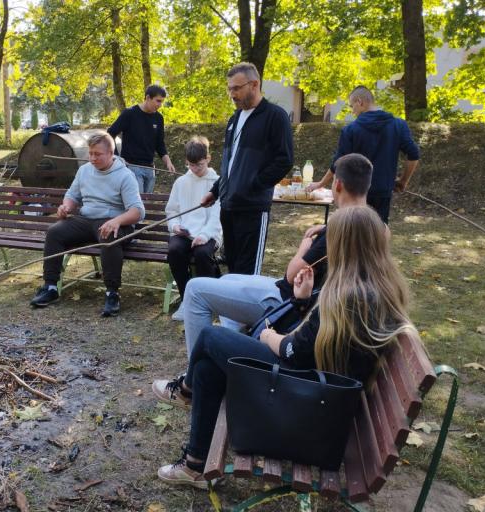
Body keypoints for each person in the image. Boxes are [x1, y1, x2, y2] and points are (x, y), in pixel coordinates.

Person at [154, 205, 416, 489]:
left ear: (344, 245)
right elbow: (318, 341)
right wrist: (301, 302)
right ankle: (195, 467)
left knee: (209, 336)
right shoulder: (375, 286)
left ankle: (185, 391)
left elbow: (294, 350)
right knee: (207, 368)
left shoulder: (347, 296)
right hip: (321, 392)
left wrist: (269, 338)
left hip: (308, 400)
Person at [160, 153, 373, 362]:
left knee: (195, 289)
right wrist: (325, 227)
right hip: (301, 299)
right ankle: (225, 354)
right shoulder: (370, 226)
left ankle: (195, 374)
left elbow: (292, 275)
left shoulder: (340, 231)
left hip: (287, 302)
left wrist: (304, 246)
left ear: (337, 185)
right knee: (227, 280)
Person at [29, 133, 145, 317]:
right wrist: (66, 207)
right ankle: (50, 287)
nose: (92, 158)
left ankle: (112, 293)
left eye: (97, 154)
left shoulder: (125, 176)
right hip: (86, 219)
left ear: (111, 153)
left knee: (108, 236)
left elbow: (138, 212)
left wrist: (116, 221)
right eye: (90, 153)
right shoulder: (84, 171)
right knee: (54, 232)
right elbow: (72, 196)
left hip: (114, 222)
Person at [200, 62, 293, 275]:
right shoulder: (234, 120)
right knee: (232, 264)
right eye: (229, 89)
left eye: (237, 88)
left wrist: (254, 184)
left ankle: (244, 308)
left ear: (254, 84)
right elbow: (230, 164)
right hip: (228, 205)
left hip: (252, 208)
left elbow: (284, 160)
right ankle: (230, 309)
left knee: (247, 271)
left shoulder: (275, 116)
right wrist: (215, 191)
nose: (232, 94)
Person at [307, 85, 420, 223]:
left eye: (351, 106)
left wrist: (321, 183)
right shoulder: (398, 125)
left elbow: (339, 162)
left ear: (360, 102)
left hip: (355, 192)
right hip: (383, 191)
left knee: (354, 234)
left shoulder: (351, 130)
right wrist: (403, 181)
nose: (353, 111)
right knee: (378, 234)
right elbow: (413, 154)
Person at [166, 136, 222, 321]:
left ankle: (206, 300)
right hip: (186, 232)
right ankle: (186, 299)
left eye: (199, 164)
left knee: (201, 254)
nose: (196, 169)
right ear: (185, 162)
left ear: (208, 158)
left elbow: (217, 217)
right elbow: (172, 210)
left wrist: (205, 235)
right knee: (174, 250)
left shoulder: (217, 183)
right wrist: (175, 226)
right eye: (191, 165)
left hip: (209, 233)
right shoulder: (181, 182)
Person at [107, 84, 177, 193]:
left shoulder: (159, 118)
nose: (160, 105)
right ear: (148, 98)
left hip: (150, 168)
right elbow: (110, 134)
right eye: (158, 101)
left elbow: (160, 144)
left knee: (146, 204)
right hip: (132, 167)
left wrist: (168, 162)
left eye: (162, 102)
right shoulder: (129, 113)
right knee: (137, 203)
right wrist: (117, 157)